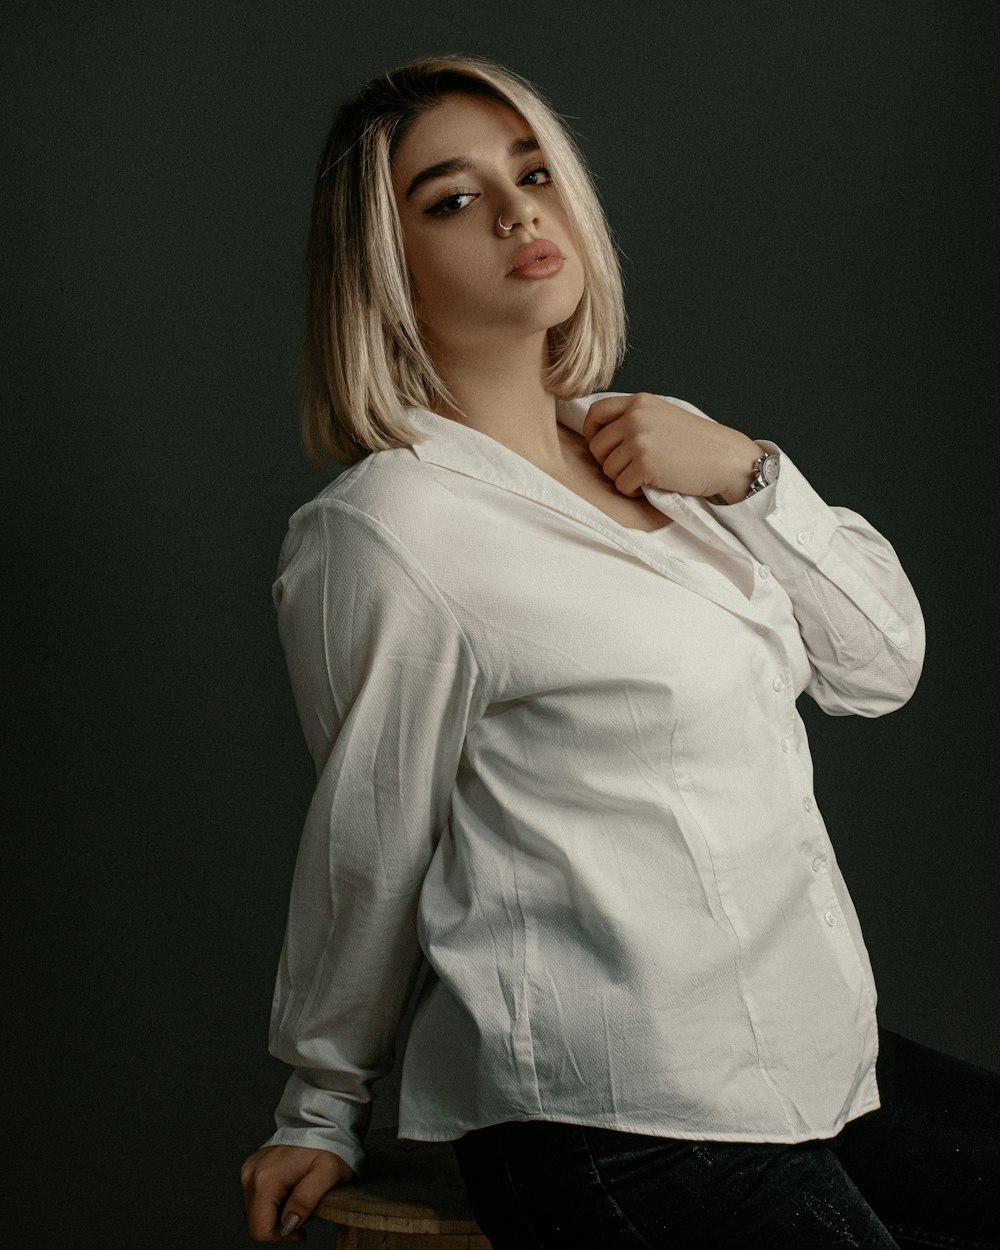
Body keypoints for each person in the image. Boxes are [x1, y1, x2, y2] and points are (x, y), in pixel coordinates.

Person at [240, 54, 999, 1248]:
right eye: (451, 197)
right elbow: (368, 833)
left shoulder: (659, 443)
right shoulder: (391, 529)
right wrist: (321, 1099)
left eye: (532, 170)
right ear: (385, 269)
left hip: (811, 1046)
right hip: (612, 1104)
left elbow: (877, 668)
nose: (516, 210)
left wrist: (751, 476)